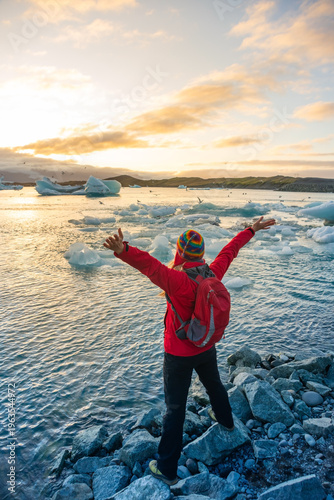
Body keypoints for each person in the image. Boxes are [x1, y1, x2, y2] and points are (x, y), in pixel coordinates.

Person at [103, 216, 275, 485]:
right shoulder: (212, 273)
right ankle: (226, 421)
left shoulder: (177, 280)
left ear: (180, 252)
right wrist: (250, 230)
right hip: (205, 346)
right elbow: (230, 251)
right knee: (214, 384)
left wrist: (123, 250)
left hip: (178, 354)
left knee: (175, 409)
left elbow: (150, 266)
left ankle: (167, 470)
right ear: (202, 253)